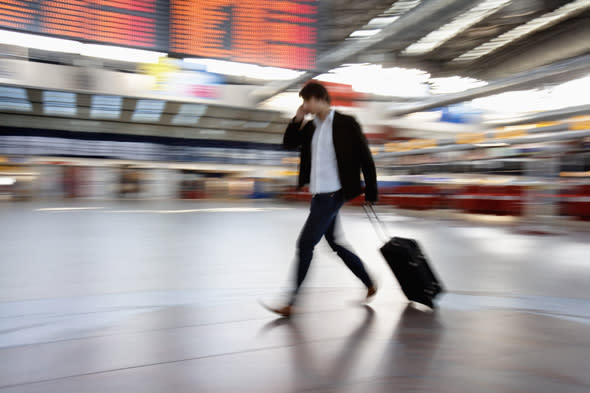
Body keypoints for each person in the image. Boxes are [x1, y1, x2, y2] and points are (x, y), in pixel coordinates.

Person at [269, 81, 378, 317]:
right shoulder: (310, 127)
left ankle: (291, 302)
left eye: (306, 101)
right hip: (319, 194)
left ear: (319, 99)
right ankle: (369, 281)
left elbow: (365, 156)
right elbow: (288, 143)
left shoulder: (346, 123)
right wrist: (297, 117)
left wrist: (371, 191)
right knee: (335, 244)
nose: (305, 106)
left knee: (305, 244)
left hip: (333, 194)